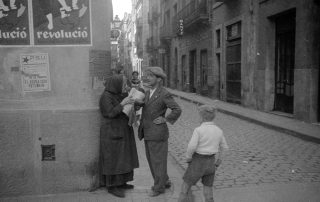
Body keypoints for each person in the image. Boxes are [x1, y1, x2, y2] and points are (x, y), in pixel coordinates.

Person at [137, 66, 182, 197]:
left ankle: (158, 187)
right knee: (153, 160)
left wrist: (165, 119)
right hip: (147, 131)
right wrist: (138, 104)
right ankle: (165, 180)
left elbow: (177, 109)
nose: (147, 77)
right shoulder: (147, 92)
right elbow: (146, 106)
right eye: (147, 75)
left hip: (157, 133)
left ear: (158, 79)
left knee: (157, 162)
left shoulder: (164, 93)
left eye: (150, 76)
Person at [99, 74, 139, 198]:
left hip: (122, 130)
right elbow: (110, 113)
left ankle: (122, 182)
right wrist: (123, 103)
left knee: (124, 157)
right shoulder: (105, 96)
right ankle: (112, 186)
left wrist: (133, 104)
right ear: (116, 84)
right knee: (113, 159)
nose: (125, 86)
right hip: (111, 132)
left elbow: (125, 107)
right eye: (123, 84)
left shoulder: (117, 94)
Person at [178, 105, 229, 202]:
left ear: (202, 117)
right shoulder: (219, 130)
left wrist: (188, 158)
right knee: (208, 189)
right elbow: (225, 148)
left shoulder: (199, 130)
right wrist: (218, 161)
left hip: (198, 162)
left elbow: (191, 146)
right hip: (211, 163)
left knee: (186, 186)